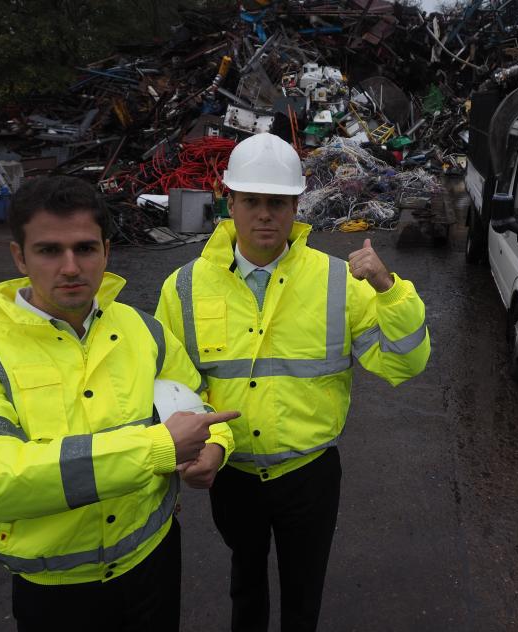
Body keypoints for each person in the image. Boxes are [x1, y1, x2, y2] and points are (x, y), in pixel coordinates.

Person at [0, 176, 239, 632]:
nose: (71, 267)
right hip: (55, 590)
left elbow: (201, 407)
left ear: (106, 251)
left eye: (85, 248)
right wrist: (156, 449)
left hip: (152, 561)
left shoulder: (143, 330)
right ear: (19, 256)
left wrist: (215, 448)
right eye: (50, 250)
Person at [155, 133, 431, 631]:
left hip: (310, 475)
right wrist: (205, 448)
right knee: (246, 584)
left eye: (278, 202)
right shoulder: (184, 288)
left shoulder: (337, 281)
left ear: (296, 205)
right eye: (253, 201)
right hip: (233, 472)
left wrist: (390, 290)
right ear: (230, 202)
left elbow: (402, 363)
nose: (265, 214)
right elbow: (177, 385)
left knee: (305, 589)